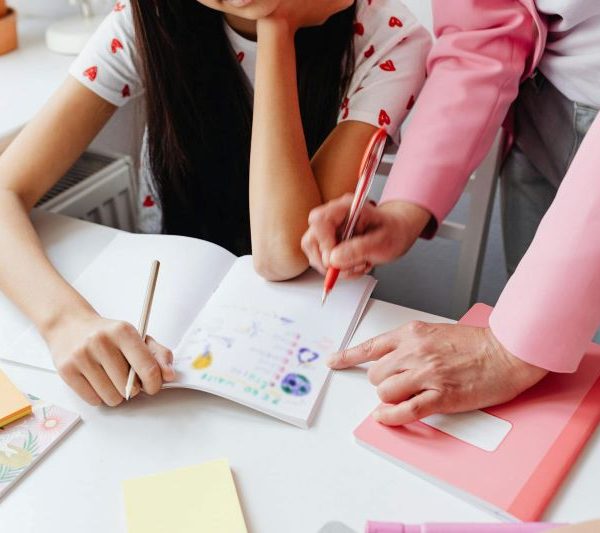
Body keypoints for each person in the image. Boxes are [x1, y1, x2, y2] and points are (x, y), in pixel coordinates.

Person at [0, 0, 431, 406]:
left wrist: (277, 26)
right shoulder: (149, 18)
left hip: (309, 334)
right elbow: (5, 188)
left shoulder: (388, 36)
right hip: (172, 326)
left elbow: (282, 253)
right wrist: (64, 322)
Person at [302, 0, 600, 425]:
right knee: (552, 411)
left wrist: (511, 348)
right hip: (543, 115)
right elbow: (482, 32)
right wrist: (407, 207)